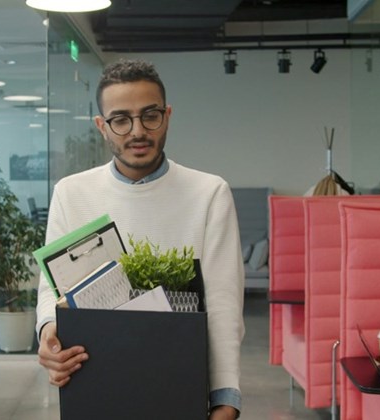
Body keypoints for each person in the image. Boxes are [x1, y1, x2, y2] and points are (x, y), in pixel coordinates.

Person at [36, 59, 245, 419]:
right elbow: (51, 291)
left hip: (180, 387)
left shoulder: (209, 193)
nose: (137, 131)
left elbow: (224, 306)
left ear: (168, 114)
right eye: (120, 119)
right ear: (102, 126)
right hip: (95, 384)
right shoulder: (71, 193)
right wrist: (49, 335)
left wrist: (226, 400)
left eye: (150, 115)